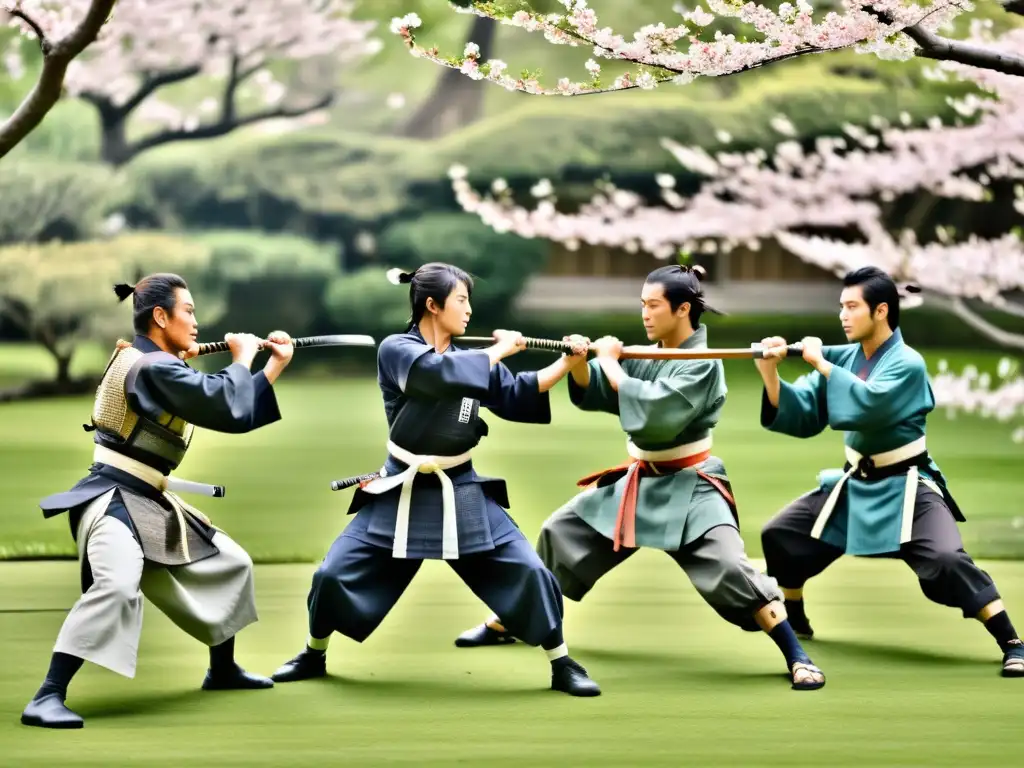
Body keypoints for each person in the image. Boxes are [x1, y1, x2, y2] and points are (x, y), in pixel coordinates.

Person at [455, 265, 825, 691]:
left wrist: (611, 363)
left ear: (683, 309)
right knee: (561, 534)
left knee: (728, 567)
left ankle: (796, 653)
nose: (645, 314)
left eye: (653, 305)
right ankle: (510, 621)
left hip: (692, 486)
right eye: (642, 305)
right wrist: (579, 365)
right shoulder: (650, 353)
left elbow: (653, 415)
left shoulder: (703, 364)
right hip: (638, 481)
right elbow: (602, 393)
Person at [271, 263, 600, 696]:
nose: (468, 311)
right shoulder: (397, 349)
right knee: (333, 575)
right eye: (461, 300)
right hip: (400, 487)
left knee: (530, 571)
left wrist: (567, 360)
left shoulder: (473, 362)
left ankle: (561, 663)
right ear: (432, 305)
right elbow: (433, 376)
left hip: (461, 486)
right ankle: (314, 653)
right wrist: (498, 350)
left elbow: (520, 391)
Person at [21, 273, 293, 729]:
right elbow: (224, 404)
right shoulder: (154, 368)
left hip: (146, 497)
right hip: (114, 499)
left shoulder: (152, 363)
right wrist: (245, 358)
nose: (196, 321)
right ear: (160, 316)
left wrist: (270, 368)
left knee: (232, 561)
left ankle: (221, 669)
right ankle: (47, 695)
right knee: (116, 584)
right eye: (188, 311)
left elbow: (225, 406)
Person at [758, 266, 1024, 678]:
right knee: (781, 534)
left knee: (946, 559)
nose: (842, 316)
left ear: (881, 311)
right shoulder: (845, 356)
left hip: (908, 486)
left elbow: (870, 405)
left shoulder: (908, 363)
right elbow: (806, 411)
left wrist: (823, 365)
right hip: (854, 482)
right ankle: (796, 615)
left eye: (852, 307)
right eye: (840, 307)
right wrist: (770, 371)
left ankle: (1011, 640)